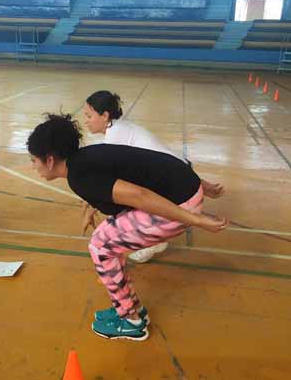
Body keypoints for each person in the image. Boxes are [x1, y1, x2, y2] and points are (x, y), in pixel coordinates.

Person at [27, 113, 230, 341]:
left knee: (100, 246)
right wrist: (91, 207)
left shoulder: (79, 176)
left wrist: (196, 220)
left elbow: (139, 195)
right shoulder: (85, 157)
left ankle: (131, 320)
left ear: (50, 160)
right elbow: (136, 172)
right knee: (107, 239)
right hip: (186, 188)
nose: (33, 166)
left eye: (34, 160)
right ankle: (131, 307)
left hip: (182, 203)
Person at [80, 90, 225, 263]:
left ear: (105, 116)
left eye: (89, 116)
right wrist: (202, 183)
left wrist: (92, 206)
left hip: (177, 185)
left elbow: (107, 183)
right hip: (181, 172)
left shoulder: (115, 137)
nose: (86, 121)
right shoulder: (122, 127)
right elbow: (163, 155)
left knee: (128, 196)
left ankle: (153, 241)